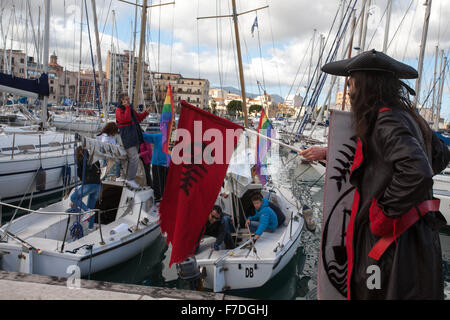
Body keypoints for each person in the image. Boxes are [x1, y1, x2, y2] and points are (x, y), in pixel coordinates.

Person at [319, 49, 450, 299]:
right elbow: (440, 155)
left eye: (351, 82)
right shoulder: (407, 116)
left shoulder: (386, 120)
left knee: (373, 290)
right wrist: (329, 153)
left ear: (366, 83)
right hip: (416, 241)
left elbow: (417, 171)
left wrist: (384, 212)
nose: (348, 89)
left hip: (390, 247)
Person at [115, 93, 151, 189]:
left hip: (135, 137)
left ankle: (128, 178)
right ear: (122, 100)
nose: (128, 100)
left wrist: (146, 113)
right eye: (126, 99)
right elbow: (125, 119)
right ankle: (130, 179)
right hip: (127, 137)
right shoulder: (119, 110)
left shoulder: (130, 109)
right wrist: (127, 108)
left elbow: (138, 118)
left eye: (128, 99)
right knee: (134, 158)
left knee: (132, 158)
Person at [70, 147, 101, 231]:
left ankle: (87, 211)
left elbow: (80, 175)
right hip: (98, 185)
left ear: (78, 153)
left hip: (89, 185)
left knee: (73, 197)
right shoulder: (94, 159)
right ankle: (90, 228)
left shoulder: (81, 161)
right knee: (91, 208)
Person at [142, 132, 170, 201]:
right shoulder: (160, 136)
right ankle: (162, 198)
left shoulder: (159, 136)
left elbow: (145, 136)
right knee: (162, 182)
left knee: (160, 182)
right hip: (163, 163)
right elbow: (145, 136)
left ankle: (160, 198)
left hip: (161, 163)